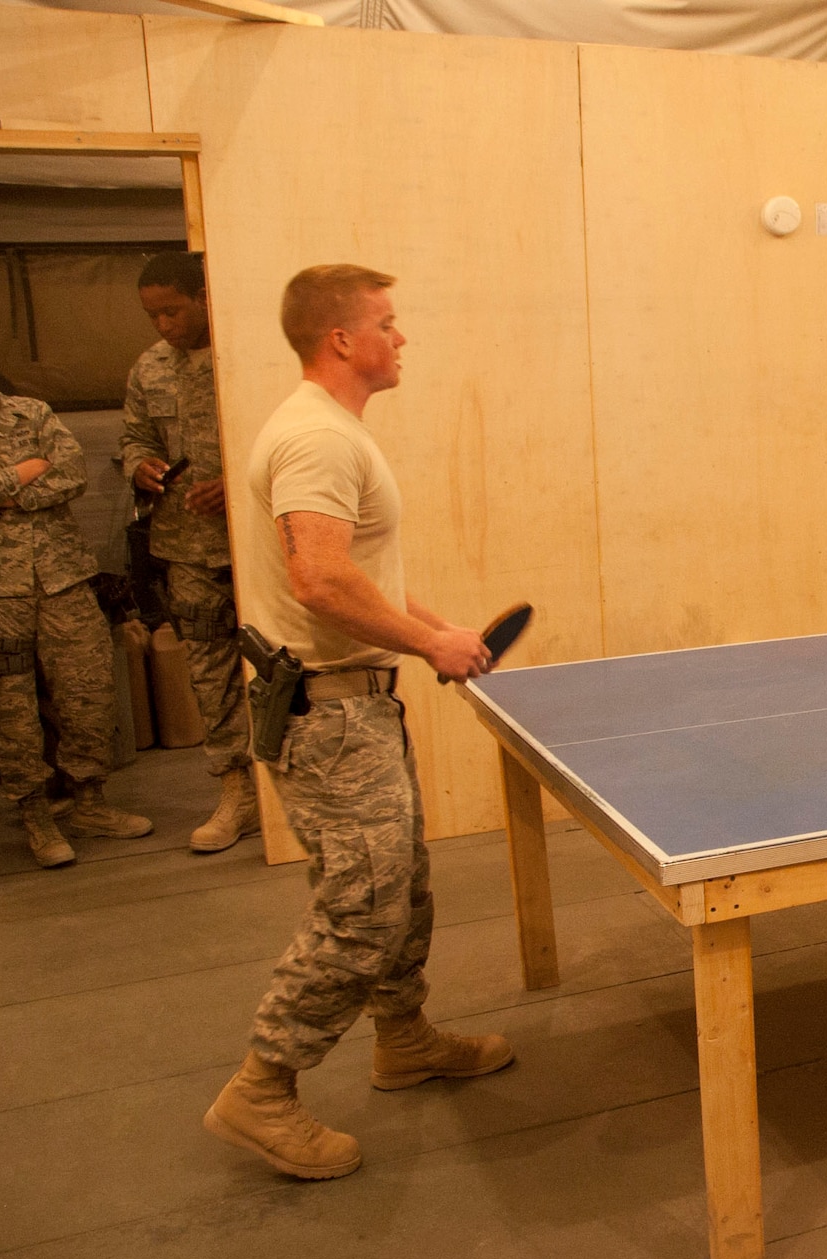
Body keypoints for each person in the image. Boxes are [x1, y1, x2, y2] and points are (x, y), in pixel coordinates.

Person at [202, 265, 512, 1180]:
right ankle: (262, 1090)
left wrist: (433, 630)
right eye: (387, 321)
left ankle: (404, 1039)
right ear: (341, 340)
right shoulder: (317, 441)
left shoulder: (330, 432)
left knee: (401, 885)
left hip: (354, 707)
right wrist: (428, 650)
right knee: (361, 909)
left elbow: (357, 571)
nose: (401, 336)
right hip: (331, 718)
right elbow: (321, 582)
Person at [0, 315, 153, 866]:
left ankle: (89, 800)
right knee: (10, 711)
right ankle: (37, 817)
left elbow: (73, 473)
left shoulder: (32, 412)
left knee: (89, 694)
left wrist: (5, 492)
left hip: (63, 579)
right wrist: (23, 474)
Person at [121, 251, 257, 852]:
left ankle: (290, 787)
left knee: (286, 665)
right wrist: (139, 465)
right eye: (152, 315)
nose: (162, 326)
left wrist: (239, 484)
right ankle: (237, 791)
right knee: (210, 673)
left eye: (171, 311)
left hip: (260, 543)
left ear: (204, 296)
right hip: (187, 547)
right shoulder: (149, 368)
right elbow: (135, 435)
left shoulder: (250, 356)